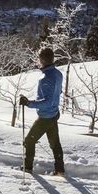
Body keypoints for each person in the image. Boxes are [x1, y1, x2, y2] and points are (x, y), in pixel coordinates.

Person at [19, 47, 65, 176]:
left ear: (43, 59)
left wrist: (29, 103)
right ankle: (60, 170)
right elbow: (58, 92)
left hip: (45, 117)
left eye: (39, 58)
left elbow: (47, 101)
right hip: (54, 114)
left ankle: (27, 168)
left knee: (29, 141)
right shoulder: (58, 74)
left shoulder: (45, 78)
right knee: (55, 143)